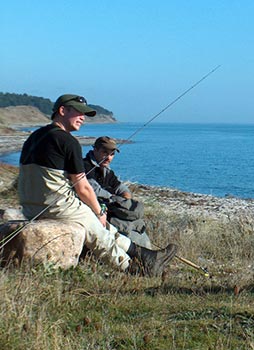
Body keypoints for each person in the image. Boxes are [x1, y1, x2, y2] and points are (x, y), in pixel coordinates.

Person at [18, 94, 176, 276]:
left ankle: (146, 255)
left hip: (30, 206)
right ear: (62, 111)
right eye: (78, 112)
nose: (83, 118)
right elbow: (83, 187)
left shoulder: (34, 137)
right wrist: (99, 211)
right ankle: (133, 269)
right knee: (97, 226)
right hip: (56, 205)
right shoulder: (67, 141)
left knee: (102, 226)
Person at [83, 136, 152, 249]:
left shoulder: (107, 170)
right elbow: (93, 190)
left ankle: (144, 249)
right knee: (122, 223)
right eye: (105, 152)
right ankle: (136, 252)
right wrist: (115, 198)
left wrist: (125, 200)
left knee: (133, 213)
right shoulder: (85, 166)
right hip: (94, 209)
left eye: (112, 154)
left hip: (109, 206)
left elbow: (121, 188)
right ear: (95, 150)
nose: (108, 157)